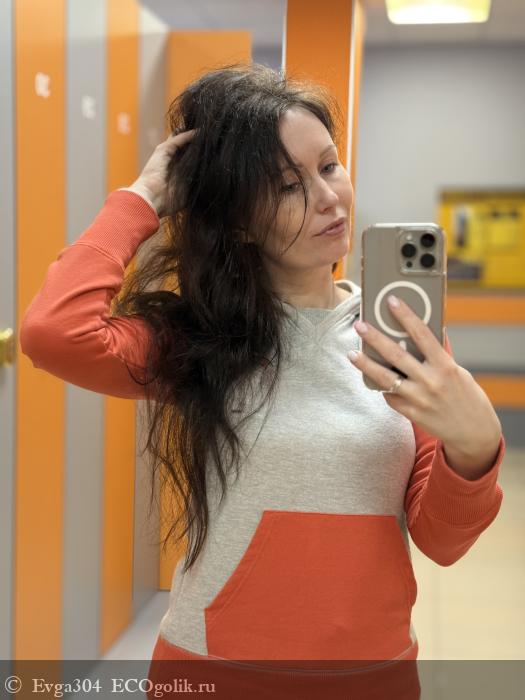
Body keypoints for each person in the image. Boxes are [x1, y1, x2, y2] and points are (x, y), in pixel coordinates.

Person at [20, 62, 505, 699]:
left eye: (329, 166)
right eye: (287, 186)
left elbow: (441, 540)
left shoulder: (401, 336)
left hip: (373, 673)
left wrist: (474, 450)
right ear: (238, 218)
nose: (328, 197)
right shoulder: (197, 340)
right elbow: (53, 333)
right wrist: (143, 199)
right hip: (213, 668)